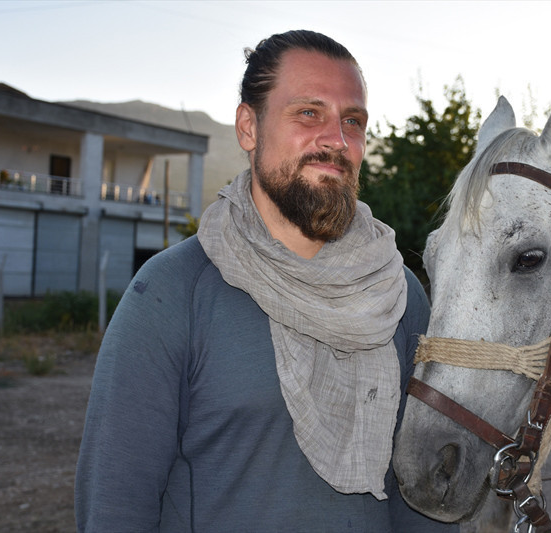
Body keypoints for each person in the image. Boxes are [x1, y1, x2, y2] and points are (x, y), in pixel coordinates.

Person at [75, 30, 457, 532]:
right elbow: (115, 504)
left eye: (352, 121)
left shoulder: (400, 295)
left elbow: (423, 498)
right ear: (248, 127)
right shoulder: (173, 292)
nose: (336, 140)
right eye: (308, 113)